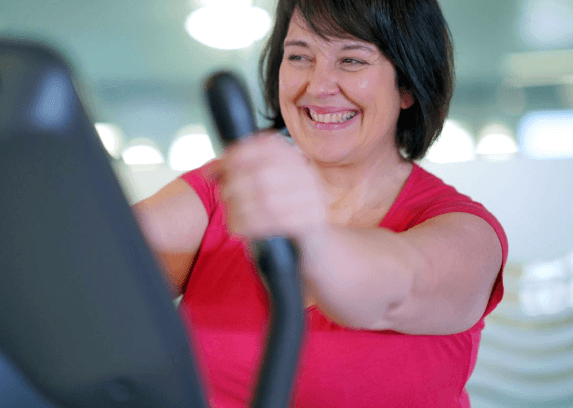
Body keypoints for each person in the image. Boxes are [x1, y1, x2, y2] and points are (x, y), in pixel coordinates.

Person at [132, 0, 508, 406]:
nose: (317, 86)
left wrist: (309, 233)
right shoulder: (231, 187)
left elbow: (394, 286)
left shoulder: (468, 234)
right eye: (299, 56)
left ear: (407, 86)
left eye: (351, 60)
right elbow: (110, 258)